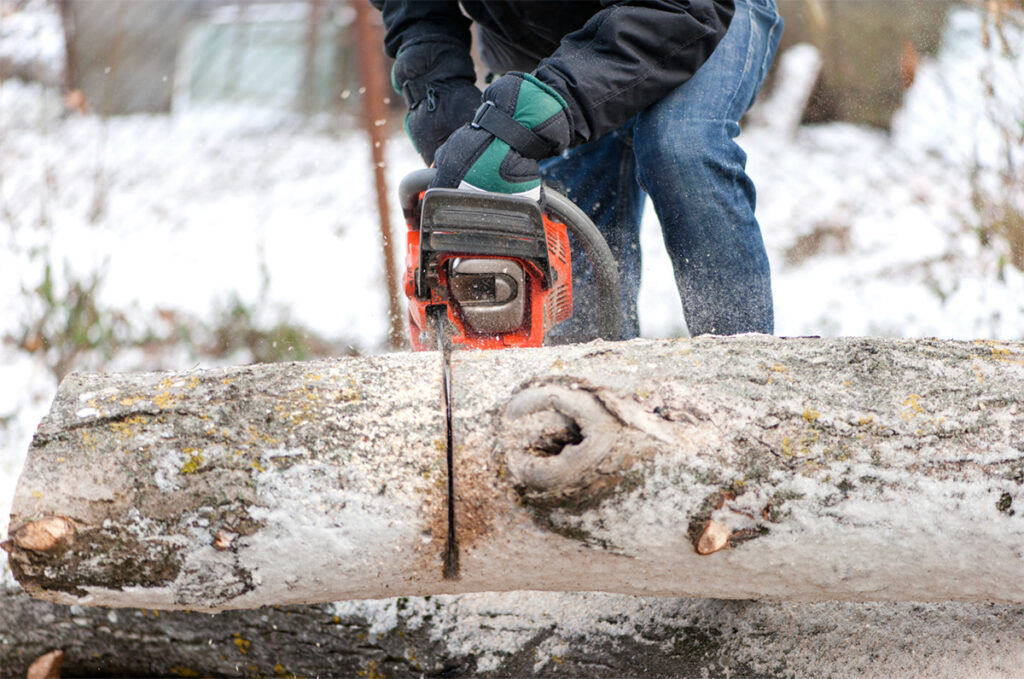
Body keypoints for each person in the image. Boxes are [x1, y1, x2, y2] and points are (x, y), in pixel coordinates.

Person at [372, 0, 782, 341]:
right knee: (576, 271)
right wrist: (446, 111)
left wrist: (546, 109)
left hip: (693, 12)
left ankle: (743, 365)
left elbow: (688, 6)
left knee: (681, 147)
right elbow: (415, 11)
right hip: (538, 44)